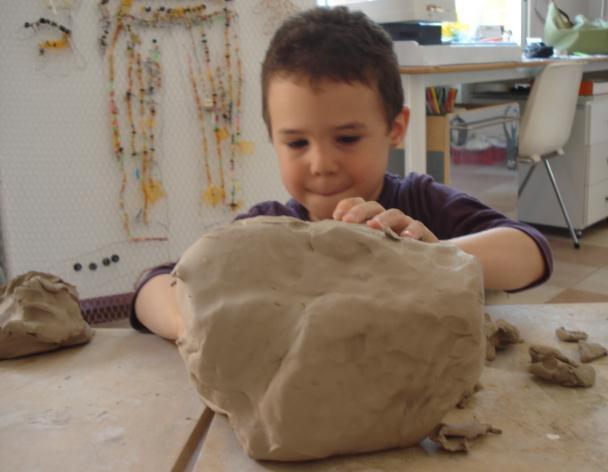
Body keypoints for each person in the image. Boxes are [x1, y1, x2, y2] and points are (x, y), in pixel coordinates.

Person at [131, 6, 552, 341]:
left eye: (347, 138)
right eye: (297, 143)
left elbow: (532, 251)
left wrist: (432, 257)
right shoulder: (267, 229)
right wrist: (191, 321)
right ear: (272, 139)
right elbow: (152, 285)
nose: (321, 164)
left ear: (396, 129)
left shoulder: (418, 204)